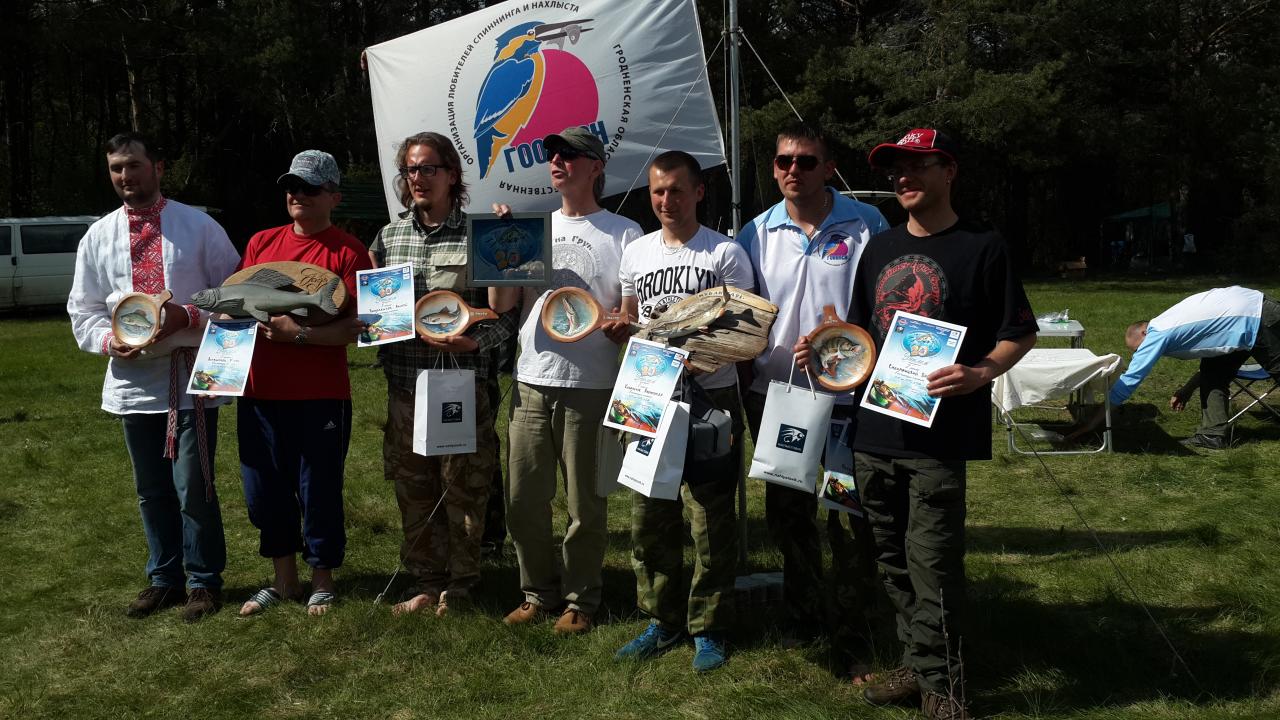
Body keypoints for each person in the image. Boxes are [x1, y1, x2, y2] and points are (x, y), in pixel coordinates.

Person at [801, 128, 1037, 719]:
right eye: (895, 170)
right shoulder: (879, 248)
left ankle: (945, 688)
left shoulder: (983, 246)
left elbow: (1019, 331)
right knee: (892, 561)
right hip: (876, 432)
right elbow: (861, 335)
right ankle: (917, 662)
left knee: (933, 564)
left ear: (948, 171)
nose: (903, 178)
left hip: (940, 438)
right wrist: (827, 349)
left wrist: (981, 373)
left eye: (917, 166)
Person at [68, 131, 240, 622]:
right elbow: (84, 310)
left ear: (158, 168)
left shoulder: (198, 226)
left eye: (134, 166)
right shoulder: (98, 236)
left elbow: (235, 294)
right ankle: (164, 578)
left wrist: (188, 315)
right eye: (116, 168)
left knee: (194, 485)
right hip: (133, 381)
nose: (125, 176)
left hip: (191, 375)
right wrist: (110, 341)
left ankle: (203, 581)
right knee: (151, 489)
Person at [737, 122, 887, 677]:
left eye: (805, 160)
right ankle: (803, 612)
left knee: (849, 512)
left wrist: (847, 345)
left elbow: (885, 306)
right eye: (783, 161)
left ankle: (855, 622)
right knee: (788, 512)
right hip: (777, 396)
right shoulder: (756, 232)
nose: (792, 170)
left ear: (829, 167)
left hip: (850, 397)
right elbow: (746, 315)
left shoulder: (866, 223)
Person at [493, 127, 642, 633]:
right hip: (532, 378)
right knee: (522, 499)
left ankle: (581, 599)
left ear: (596, 166)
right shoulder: (532, 227)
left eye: (570, 154)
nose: (557, 161)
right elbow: (501, 304)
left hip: (591, 382)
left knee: (585, 502)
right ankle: (537, 592)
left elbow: (630, 313)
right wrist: (502, 244)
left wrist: (620, 324)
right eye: (553, 154)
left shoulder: (624, 232)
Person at [613, 151, 755, 672]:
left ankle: (709, 625)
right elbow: (631, 318)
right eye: (658, 191)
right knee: (649, 514)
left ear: (698, 191)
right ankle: (662, 618)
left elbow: (743, 331)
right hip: (649, 394)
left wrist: (697, 360)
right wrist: (618, 328)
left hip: (710, 399)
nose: (666, 200)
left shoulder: (724, 253)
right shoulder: (636, 253)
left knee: (710, 519)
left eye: (676, 189)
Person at [369, 131, 517, 617]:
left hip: (461, 387)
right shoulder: (389, 238)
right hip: (406, 387)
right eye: (411, 169)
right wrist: (374, 326)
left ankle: (462, 583)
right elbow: (377, 314)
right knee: (414, 489)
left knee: (465, 488)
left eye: (428, 168)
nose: (418, 177)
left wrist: (475, 344)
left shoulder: (481, 233)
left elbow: (503, 318)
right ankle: (426, 582)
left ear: (452, 175)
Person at [236, 150, 370, 617]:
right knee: (263, 491)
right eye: (292, 186)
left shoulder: (349, 251)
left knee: (318, 490)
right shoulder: (261, 243)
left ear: (334, 196)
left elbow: (357, 330)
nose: (298, 195)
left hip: (320, 394)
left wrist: (299, 334)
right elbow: (238, 307)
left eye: (310, 188)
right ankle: (284, 580)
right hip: (259, 391)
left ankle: (322, 579)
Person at [1083, 286, 1279, 449]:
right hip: (1241, 318)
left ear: (1144, 332)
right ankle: (1211, 436)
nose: (1138, 355)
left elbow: (1129, 381)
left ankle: (1212, 435)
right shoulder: (1166, 322)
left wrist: (1092, 423)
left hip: (1257, 316)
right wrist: (1187, 389)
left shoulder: (1158, 333)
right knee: (1213, 373)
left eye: (1138, 349)